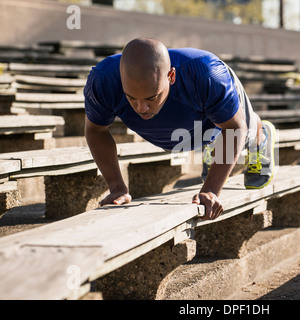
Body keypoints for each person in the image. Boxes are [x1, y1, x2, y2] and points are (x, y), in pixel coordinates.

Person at [84, 37, 276, 220]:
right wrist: (117, 188)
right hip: (184, 130)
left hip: (212, 117)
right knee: (214, 135)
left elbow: (234, 128)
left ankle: (261, 135)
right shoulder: (103, 80)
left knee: (244, 130)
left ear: (171, 76)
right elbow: (95, 130)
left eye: (152, 97)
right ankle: (214, 144)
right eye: (131, 97)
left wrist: (210, 190)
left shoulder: (206, 75)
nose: (141, 108)